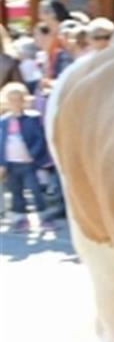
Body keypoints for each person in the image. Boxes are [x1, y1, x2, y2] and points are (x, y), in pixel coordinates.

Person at [1, 82, 53, 232]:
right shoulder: (3, 121)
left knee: (35, 190)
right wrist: (2, 164)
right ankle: (20, 219)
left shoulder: (32, 118)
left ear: (24, 100)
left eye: (18, 99)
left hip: (28, 163)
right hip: (11, 164)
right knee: (16, 192)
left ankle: (44, 218)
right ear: (6, 101)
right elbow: (1, 143)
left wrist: (33, 155)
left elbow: (39, 139)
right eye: (11, 99)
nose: (15, 103)